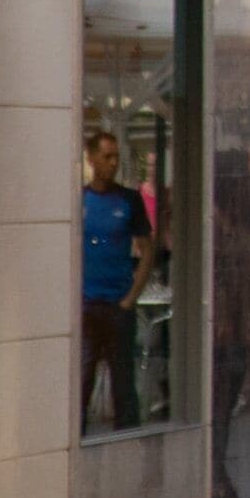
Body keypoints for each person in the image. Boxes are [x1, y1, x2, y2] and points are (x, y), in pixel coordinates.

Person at [77, 131, 160, 432]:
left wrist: (130, 298)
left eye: (116, 157)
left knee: (123, 383)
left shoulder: (128, 200)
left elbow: (147, 250)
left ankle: (128, 440)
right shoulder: (79, 201)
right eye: (107, 156)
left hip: (117, 304)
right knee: (82, 380)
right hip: (87, 304)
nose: (112, 163)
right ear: (91, 158)